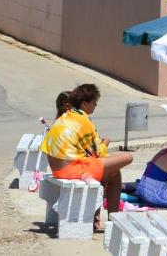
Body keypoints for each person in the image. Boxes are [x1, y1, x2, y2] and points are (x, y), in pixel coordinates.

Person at [41, 84, 133, 229]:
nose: (96, 104)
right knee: (127, 158)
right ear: (84, 103)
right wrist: (106, 142)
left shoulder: (66, 116)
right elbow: (98, 153)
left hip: (57, 168)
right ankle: (112, 221)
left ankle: (103, 220)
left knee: (111, 172)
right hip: (70, 169)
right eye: (94, 102)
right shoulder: (83, 120)